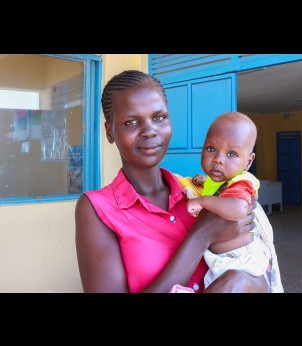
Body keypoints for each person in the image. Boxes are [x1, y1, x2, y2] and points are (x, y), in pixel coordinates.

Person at [75, 70, 270, 293]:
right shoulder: (97, 209)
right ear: (110, 132)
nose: (150, 131)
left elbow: (259, 273)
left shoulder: (201, 192)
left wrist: (240, 282)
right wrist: (202, 235)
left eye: (159, 118)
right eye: (131, 122)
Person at [176, 112, 283, 292]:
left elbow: (238, 208)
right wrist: (205, 182)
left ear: (248, 162)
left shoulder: (241, 182)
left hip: (240, 260)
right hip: (224, 259)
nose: (218, 159)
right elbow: (218, 190)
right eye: (211, 149)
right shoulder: (219, 179)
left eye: (232, 153)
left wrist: (203, 200)